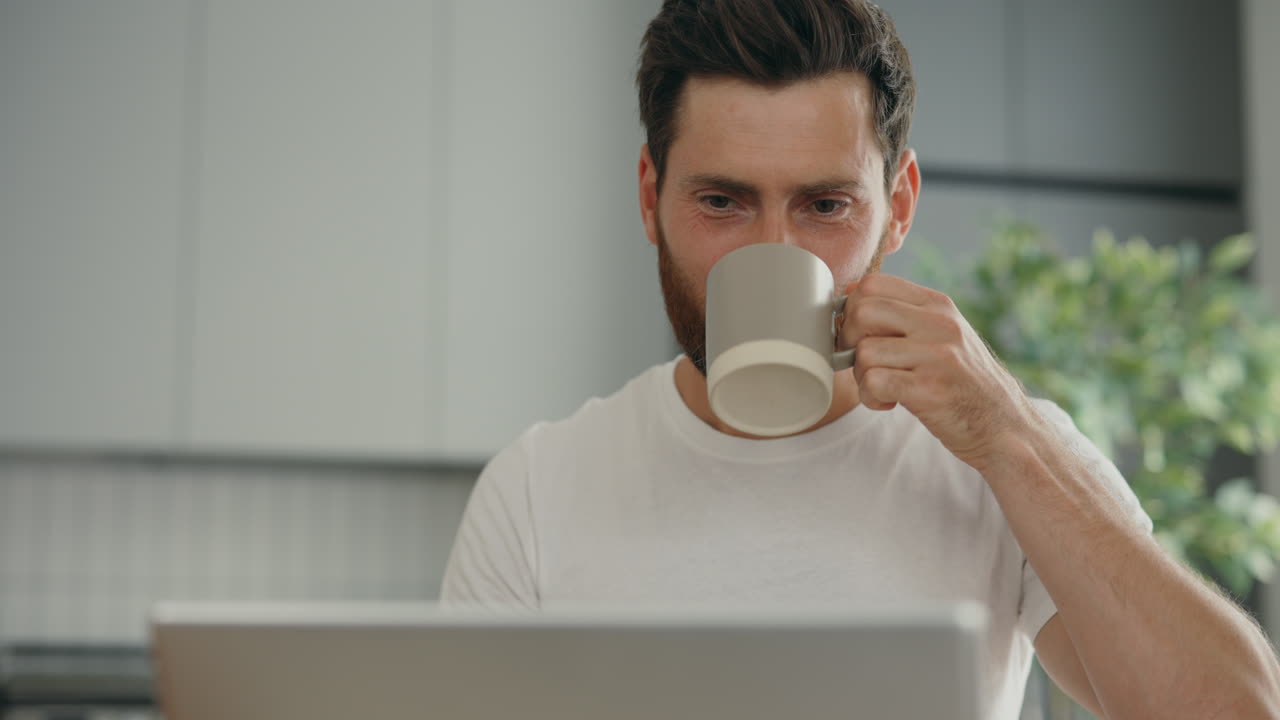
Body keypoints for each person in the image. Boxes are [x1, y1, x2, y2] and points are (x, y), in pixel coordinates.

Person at [441, 1, 1280, 717]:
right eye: (722, 202)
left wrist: (1008, 437)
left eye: (826, 205)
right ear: (649, 199)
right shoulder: (537, 489)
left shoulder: (1007, 458)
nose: (771, 249)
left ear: (898, 206)